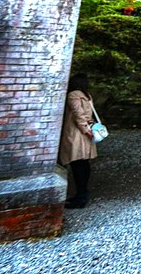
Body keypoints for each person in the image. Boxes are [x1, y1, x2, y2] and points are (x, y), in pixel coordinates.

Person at [59, 73, 98, 209]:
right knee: (84, 163)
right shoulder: (87, 95)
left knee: (77, 164)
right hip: (88, 132)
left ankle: (80, 197)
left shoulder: (73, 95)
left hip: (77, 134)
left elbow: (78, 114)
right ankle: (83, 193)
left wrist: (84, 129)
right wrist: (89, 129)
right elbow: (89, 115)